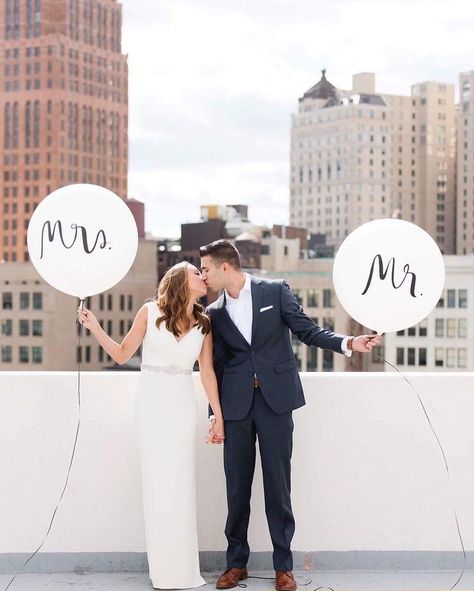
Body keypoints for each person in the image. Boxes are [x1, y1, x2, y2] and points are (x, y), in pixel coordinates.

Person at [200, 240, 382, 591]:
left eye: (206, 268)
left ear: (225, 267)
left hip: (276, 403)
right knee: (236, 488)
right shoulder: (215, 313)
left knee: (278, 487)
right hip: (236, 407)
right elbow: (216, 369)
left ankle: (284, 567)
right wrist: (215, 415)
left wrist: (349, 343)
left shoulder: (275, 291)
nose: (203, 275)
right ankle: (236, 563)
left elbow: (308, 331)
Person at [78, 261, 225, 590]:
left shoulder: (204, 323)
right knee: (157, 485)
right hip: (152, 404)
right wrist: (95, 326)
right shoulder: (149, 311)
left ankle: (183, 570)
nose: (203, 277)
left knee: (180, 483)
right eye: (195, 273)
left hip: (182, 405)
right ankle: (164, 571)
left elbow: (207, 373)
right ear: (179, 280)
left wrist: (218, 415)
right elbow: (121, 354)